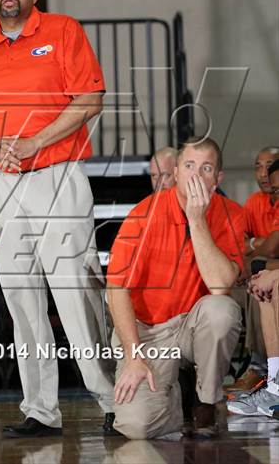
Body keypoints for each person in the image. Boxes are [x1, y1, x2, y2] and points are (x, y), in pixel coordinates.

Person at [0, 0, 115, 437]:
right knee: (20, 296)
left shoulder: (63, 31)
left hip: (57, 175)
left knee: (76, 291)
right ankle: (40, 408)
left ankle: (112, 399)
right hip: (2, 181)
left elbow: (90, 99)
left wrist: (37, 140)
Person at [106, 136, 245, 439]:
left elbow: (220, 286)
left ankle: (205, 403)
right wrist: (133, 357)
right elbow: (116, 288)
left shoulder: (233, 213)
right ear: (177, 172)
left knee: (223, 311)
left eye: (206, 168)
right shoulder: (144, 213)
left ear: (217, 178)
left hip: (194, 326)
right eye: (190, 166)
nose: (196, 174)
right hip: (149, 331)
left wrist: (197, 221)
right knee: (137, 426)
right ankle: (177, 396)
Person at [227, 159, 279, 417]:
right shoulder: (256, 202)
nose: (276, 195)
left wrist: (266, 268)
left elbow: (271, 248)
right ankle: (273, 383)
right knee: (263, 282)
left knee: (268, 278)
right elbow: (239, 242)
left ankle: (266, 373)